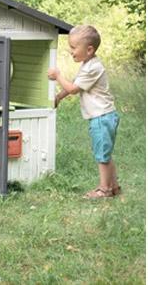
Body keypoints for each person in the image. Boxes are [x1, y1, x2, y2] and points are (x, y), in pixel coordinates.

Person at [48, 25, 120, 199]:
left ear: (89, 50)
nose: (70, 51)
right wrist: (58, 97)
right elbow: (76, 84)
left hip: (101, 117)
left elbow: (73, 89)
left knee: (102, 155)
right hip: (104, 116)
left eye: (73, 47)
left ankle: (104, 190)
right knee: (105, 153)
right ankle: (114, 187)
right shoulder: (88, 64)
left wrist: (57, 76)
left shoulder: (94, 67)